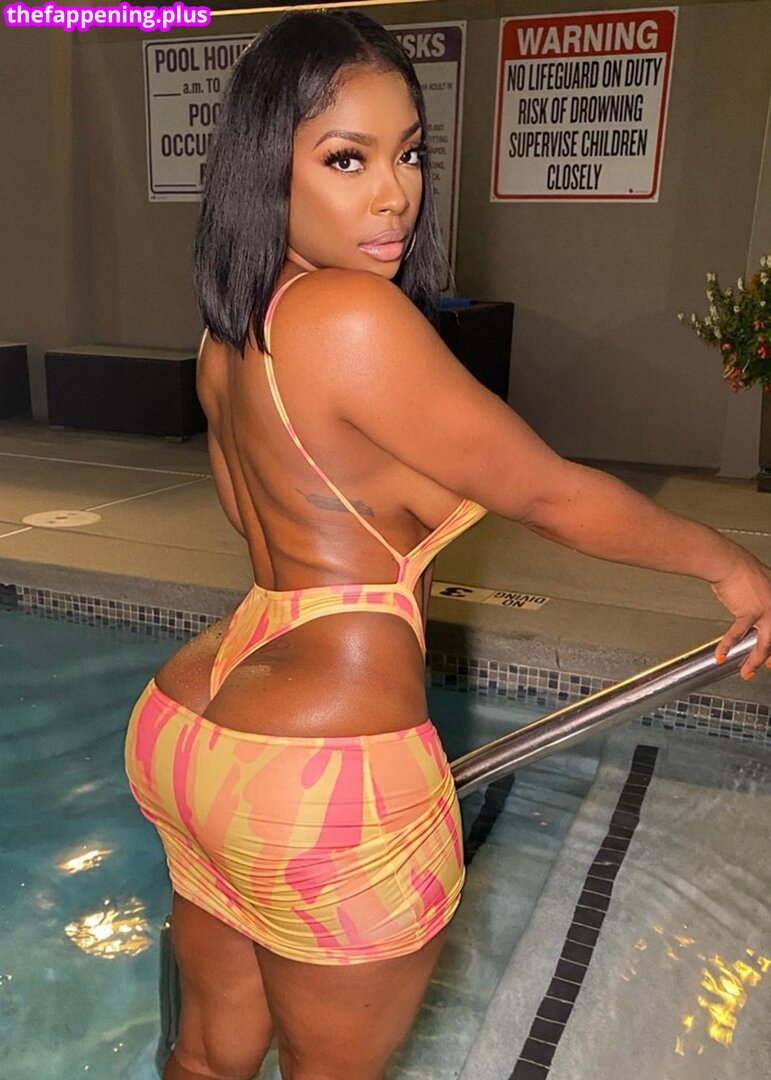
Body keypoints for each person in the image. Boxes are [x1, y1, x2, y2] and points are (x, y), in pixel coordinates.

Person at [125, 10, 771, 1080]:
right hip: (323, 771)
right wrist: (730, 565)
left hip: (192, 725)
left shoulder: (231, 332)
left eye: (410, 153)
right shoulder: (351, 317)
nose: (394, 193)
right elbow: (552, 495)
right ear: (268, 168)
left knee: (205, 1057)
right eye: (347, 159)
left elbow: (267, 522)